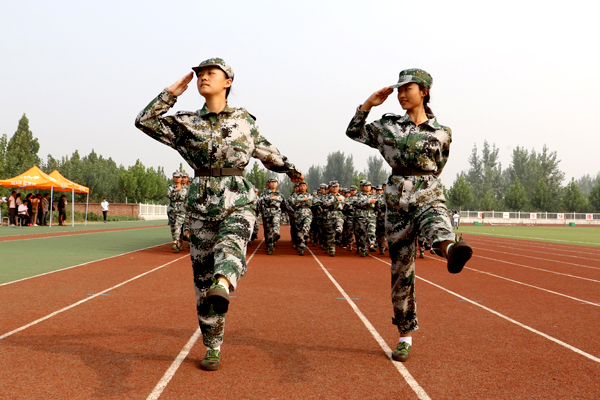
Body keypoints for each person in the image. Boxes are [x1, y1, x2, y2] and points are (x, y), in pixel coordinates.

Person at [135, 57, 303, 371]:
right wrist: (170, 94)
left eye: (211, 73)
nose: (203, 77)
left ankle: (224, 282)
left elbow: (266, 150)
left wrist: (291, 170)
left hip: (237, 197)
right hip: (200, 203)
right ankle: (213, 344)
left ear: (228, 82)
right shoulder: (185, 123)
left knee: (232, 244)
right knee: (202, 283)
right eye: (199, 73)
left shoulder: (244, 120)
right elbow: (144, 121)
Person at [346, 68, 473, 362]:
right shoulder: (387, 126)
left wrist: (422, 184)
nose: (402, 95)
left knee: (437, 223)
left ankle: (452, 250)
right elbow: (354, 132)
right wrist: (369, 104)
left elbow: (439, 165)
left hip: (427, 191)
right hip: (397, 202)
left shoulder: (442, 132)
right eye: (399, 90)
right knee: (401, 271)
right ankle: (405, 337)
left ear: (424, 92)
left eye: (408, 89)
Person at [259, 178, 285, 255]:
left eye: (275, 182)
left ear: (277, 184)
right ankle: (269, 246)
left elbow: (284, 203)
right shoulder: (264, 193)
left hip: (276, 212)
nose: (273, 184)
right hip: (267, 213)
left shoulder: (280, 194)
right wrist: (270, 198)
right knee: (268, 231)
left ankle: (276, 234)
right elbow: (260, 200)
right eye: (272, 182)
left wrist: (285, 212)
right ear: (269, 184)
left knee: (275, 222)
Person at [166, 172, 188, 252]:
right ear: (173, 178)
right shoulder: (170, 187)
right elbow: (168, 195)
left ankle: (175, 241)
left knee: (177, 225)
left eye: (179, 177)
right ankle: (179, 244)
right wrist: (175, 190)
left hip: (181, 210)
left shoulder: (185, 189)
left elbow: (187, 199)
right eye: (175, 177)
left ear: (181, 178)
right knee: (173, 228)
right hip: (172, 209)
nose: (177, 179)